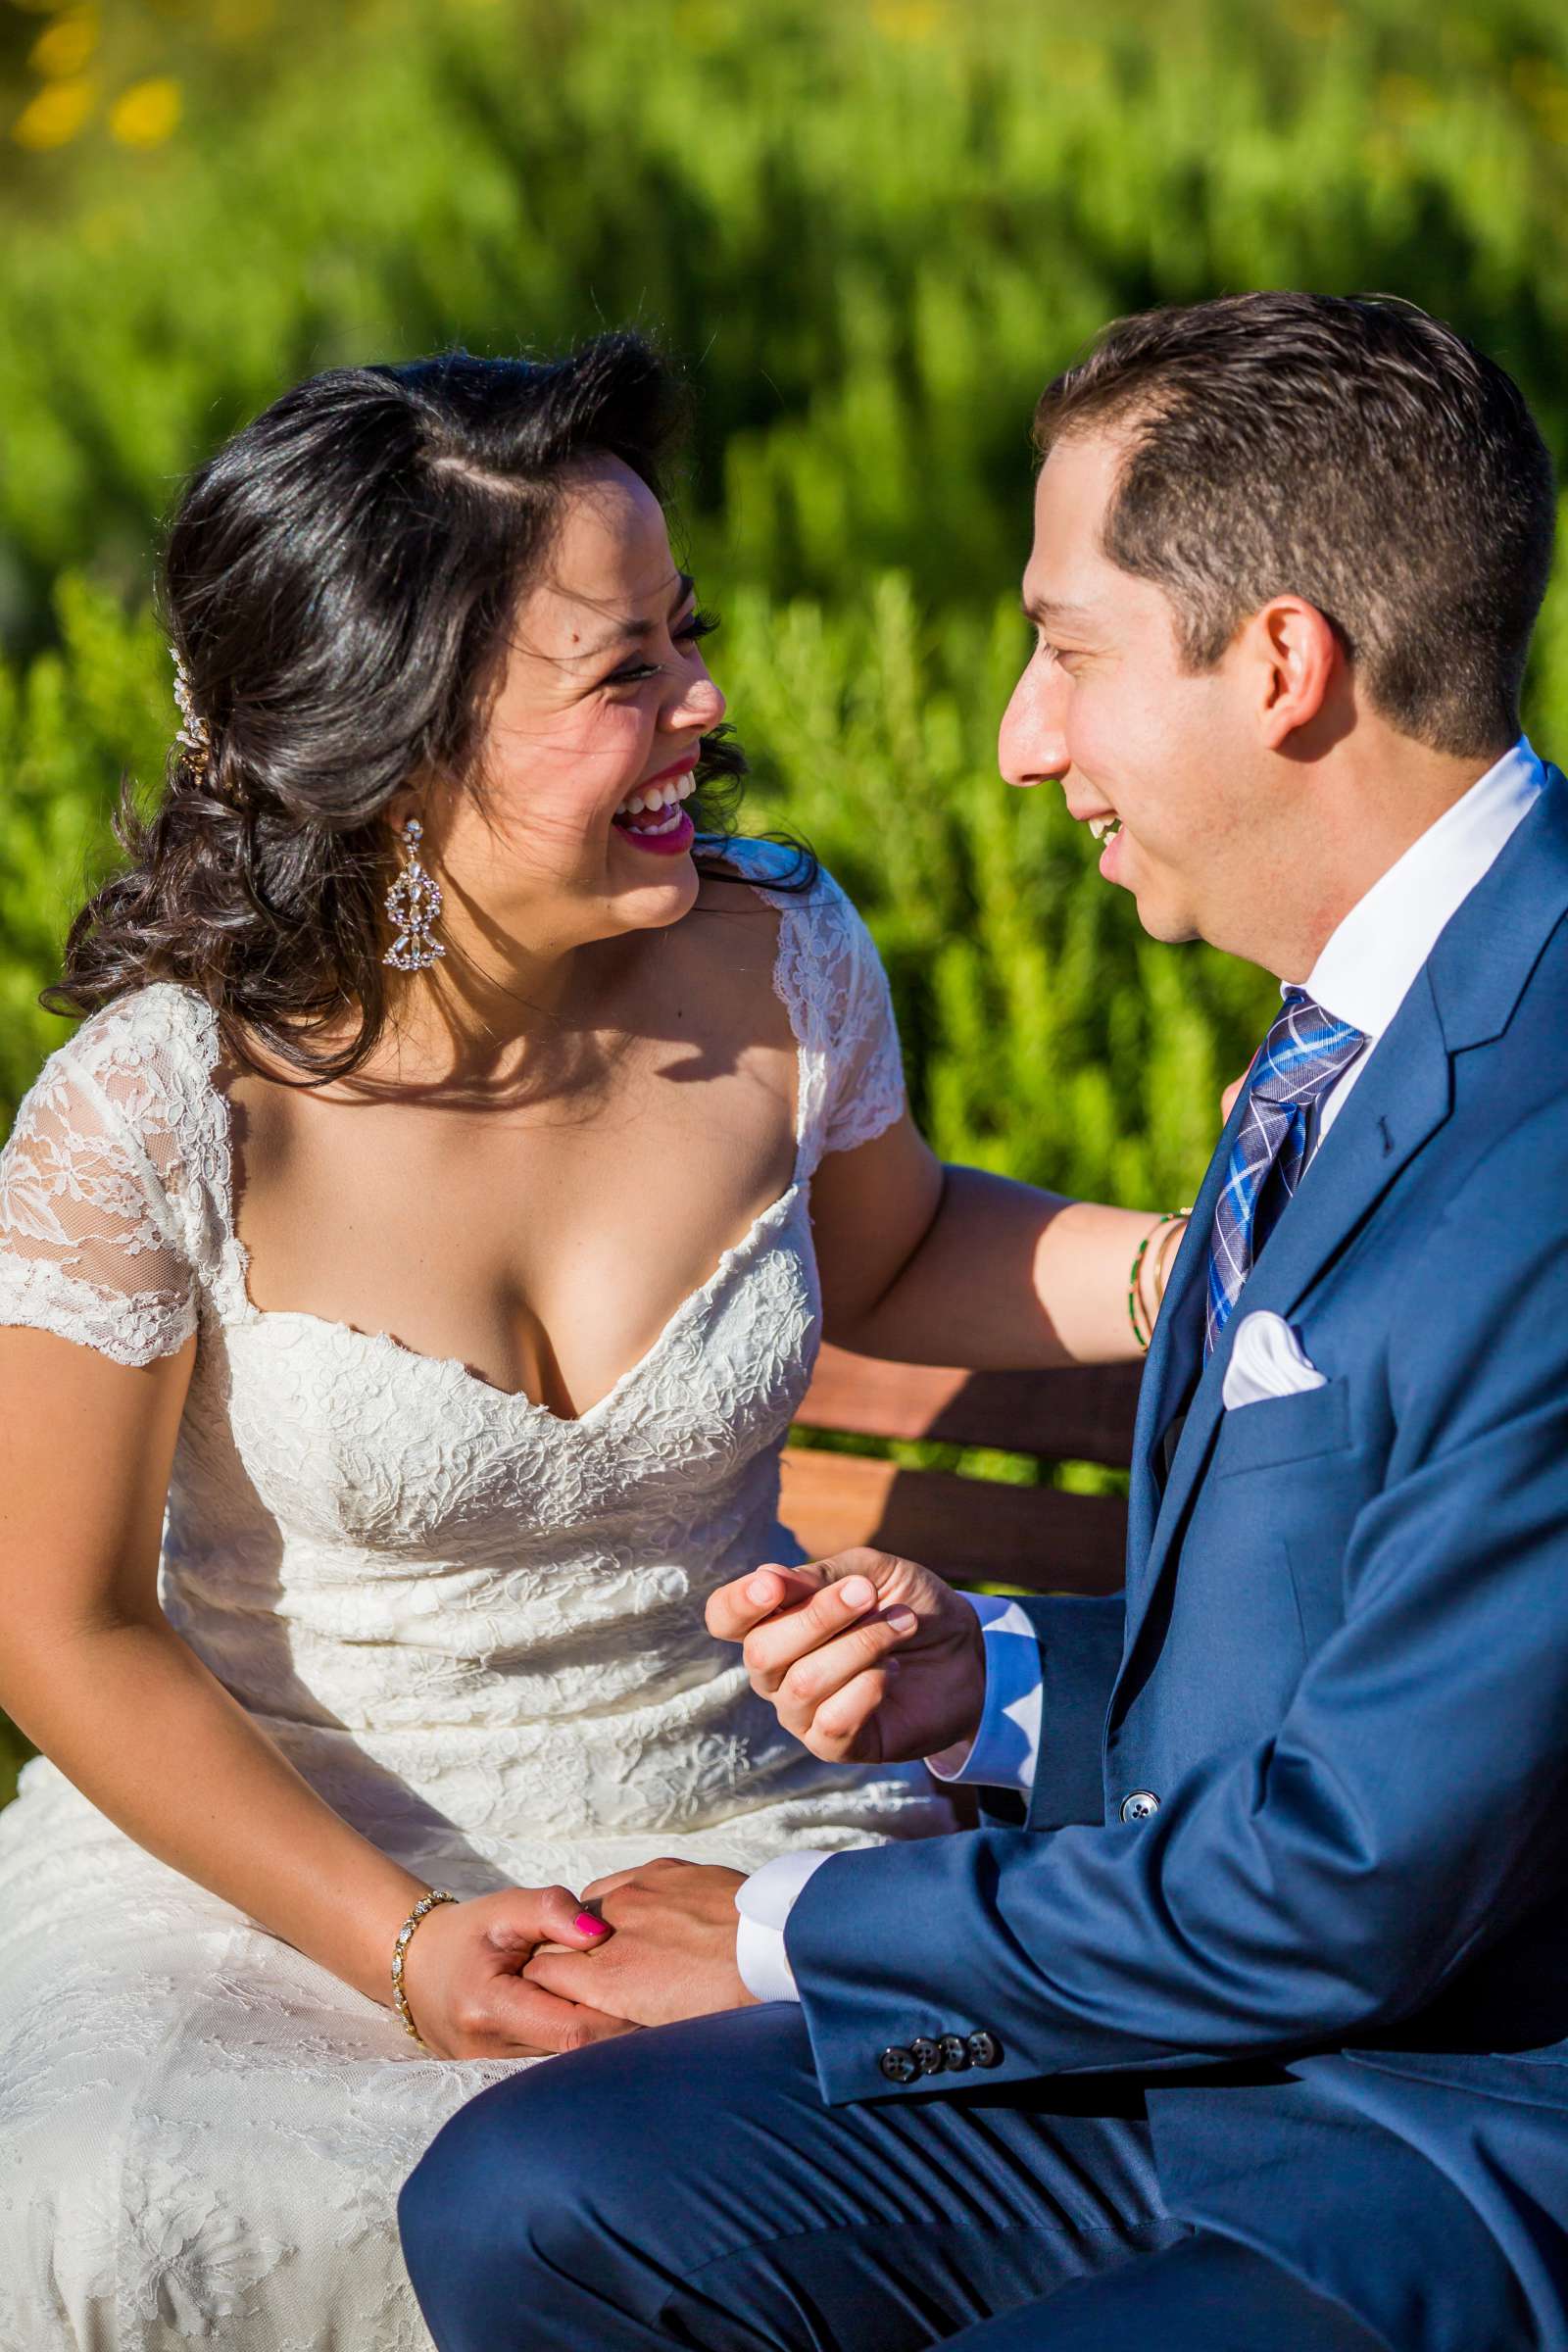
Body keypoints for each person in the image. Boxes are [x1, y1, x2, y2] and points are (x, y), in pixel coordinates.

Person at [399, 292, 1568, 2352]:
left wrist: (788, 1932)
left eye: (1066, 644)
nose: (1022, 738)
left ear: (1278, 663)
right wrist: (1005, 1681)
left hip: (1454, 2132)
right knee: (530, 2194)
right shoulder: (1360, 1038)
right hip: (1218, 2042)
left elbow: (1363, 1879)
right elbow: (1389, 1682)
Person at [0, 334, 1167, 2349]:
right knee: (120, 2197)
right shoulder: (158, 1109)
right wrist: (405, 1941)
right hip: (271, 1868)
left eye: (681, 642)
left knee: (871, 2158)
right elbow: (62, 1629)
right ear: (394, 738)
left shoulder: (779, 957)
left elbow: (891, 1263)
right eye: (621, 673)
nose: (704, 708)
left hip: (727, 1819)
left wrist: (1229, 1262)